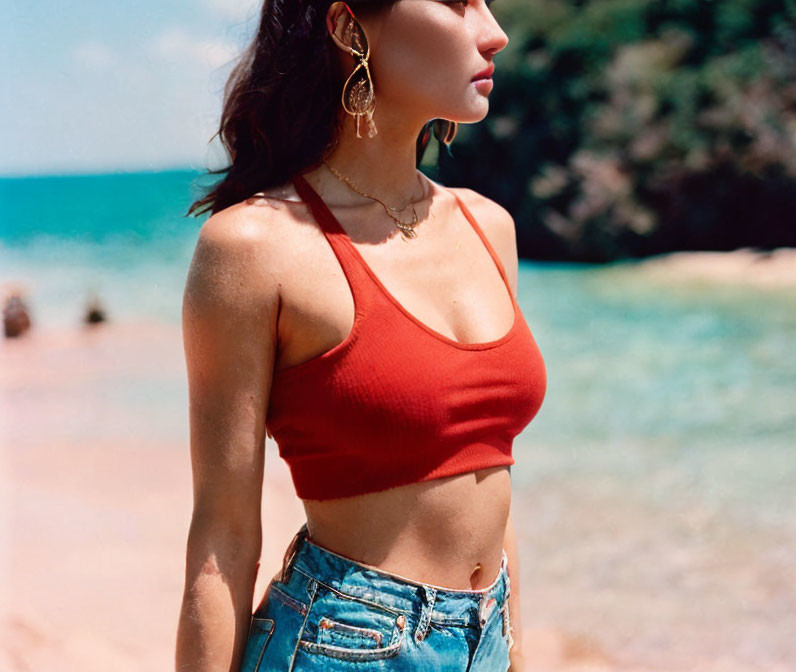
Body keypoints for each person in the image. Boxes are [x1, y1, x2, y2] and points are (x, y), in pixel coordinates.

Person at [176, 1, 546, 671]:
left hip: (486, 636)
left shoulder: (490, 228)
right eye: (459, 2)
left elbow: (488, 474)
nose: (494, 31)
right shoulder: (254, 248)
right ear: (349, 28)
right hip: (342, 647)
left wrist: (516, 654)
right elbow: (223, 537)